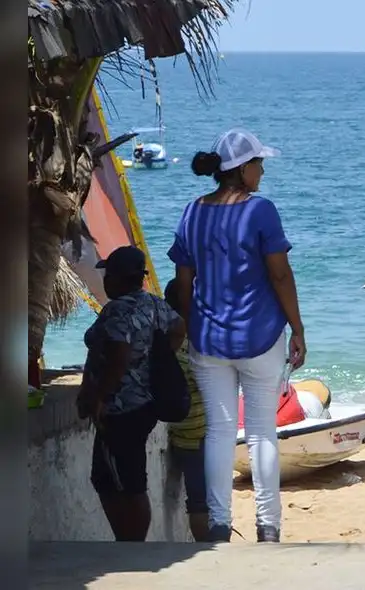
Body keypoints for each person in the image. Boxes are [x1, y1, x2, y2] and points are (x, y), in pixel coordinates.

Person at [168, 128, 305, 543]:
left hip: (209, 341)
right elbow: (280, 274)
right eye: (259, 163)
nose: (262, 170)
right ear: (242, 169)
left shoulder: (192, 212)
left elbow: (184, 281)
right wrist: (298, 328)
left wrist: (193, 329)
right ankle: (268, 526)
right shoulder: (260, 211)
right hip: (260, 338)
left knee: (220, 432)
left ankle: (218, 524)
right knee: (262, 431)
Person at [76, 246, 185, 541]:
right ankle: (129, 542)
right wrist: (156, 360)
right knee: (119, 474)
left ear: (118, 278)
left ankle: (131, 544)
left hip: (121, 406)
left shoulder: (119, 309)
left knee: (121, 478)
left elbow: (119, 354)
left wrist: (100, 394)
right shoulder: (153, 304)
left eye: (108, 275)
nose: (105, 281)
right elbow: (179, 327)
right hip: (144, 403)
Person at [163, 279, 209, 541]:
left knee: (198, 497)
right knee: (202, 499)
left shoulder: (166, 344)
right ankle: (207, 548)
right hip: (199, 433)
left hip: (181, 432)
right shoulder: (193, 347)